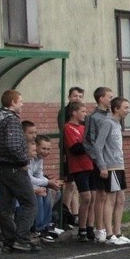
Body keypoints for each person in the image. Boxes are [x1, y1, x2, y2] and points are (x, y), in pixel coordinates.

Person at [0, 90, 40, 252]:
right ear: (13, 102)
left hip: (1, 167)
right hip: (15, 168)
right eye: (20, 101)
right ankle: (21, 239)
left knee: (7, 207)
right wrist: (23, 161)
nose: (22, 104)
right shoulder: (11, 121)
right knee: (30, 204)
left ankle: (9, 240)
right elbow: (13, 145)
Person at [92, 96, 130, 245]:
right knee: (110, 199)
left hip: (119, 166)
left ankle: (118, 232)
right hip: (111, 167)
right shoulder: (107, 123)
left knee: (121, 200)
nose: (128, 111)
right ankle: (109, 235)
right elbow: (98, 146)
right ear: (116, 109)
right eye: (126, 108)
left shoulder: (117, 125)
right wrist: (102, 166)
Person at [84, 87, 114, 243]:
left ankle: (111, 229)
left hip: (112, 161)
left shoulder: (111, 116)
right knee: (100, 195)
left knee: (111, 195)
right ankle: (100, 229)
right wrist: (99, 161)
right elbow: (89, 142)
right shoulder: (93, 117)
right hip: (100, 161)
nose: (111, 99)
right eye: (109, 96)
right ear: (101, 99)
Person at [63, 101, 96, 242]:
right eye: (82, 111)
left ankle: (90, 227)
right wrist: (90, 143)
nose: (85, 114)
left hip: (90, 165)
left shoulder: (83, 128)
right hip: (78, 167)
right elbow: (76, 149)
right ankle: (81, 228)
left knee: (92, 197)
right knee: (86, 197)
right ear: (74, 113)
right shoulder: (68, 127)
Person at [29, 135, 65, 243]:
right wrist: (47, 182)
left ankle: (46, 224)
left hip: (33, 185)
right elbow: (29, 179)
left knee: (53, 191)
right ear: (36, 147)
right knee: (41, 193)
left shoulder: (39, 159)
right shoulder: (29, 159)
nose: (46, 151)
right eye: (43, 148)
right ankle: (39, 228)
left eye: (48, 149)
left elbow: (39, 175)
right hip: (26, 186)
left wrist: (50, 183)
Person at [60, 86, 84, 228]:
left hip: (80, 154)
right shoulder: (64, 113)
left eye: (80, 96)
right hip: (69, 153)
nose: (77, 98)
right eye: (75, 96)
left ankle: (74, 215)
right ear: (69, 97)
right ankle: (65, 212)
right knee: (70, 184)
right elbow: (64, 134)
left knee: (75, 186)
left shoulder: (82, 115)